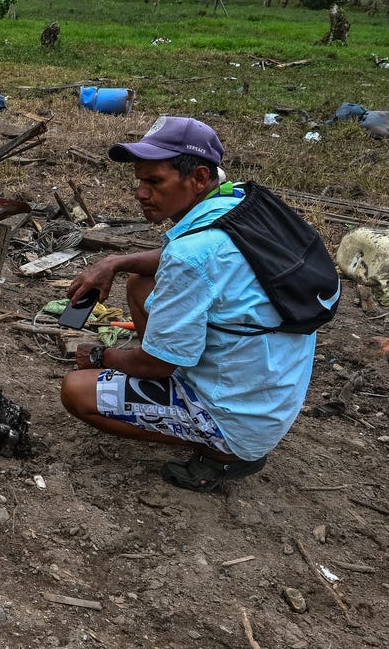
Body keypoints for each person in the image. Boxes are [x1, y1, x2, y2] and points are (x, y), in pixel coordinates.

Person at [59, 116, 317, 491]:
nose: (140, 193)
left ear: (197, 178)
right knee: (140, 280)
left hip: (239, 418)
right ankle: (180, 383)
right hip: (269, 387)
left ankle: (224, 455)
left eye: (154, 182)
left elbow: (159, 365)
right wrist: (113, 262)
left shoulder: (191, 255)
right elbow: (183, 259)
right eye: (139, 181)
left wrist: (100, 357)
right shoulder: (239, 199)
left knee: (77, 390)